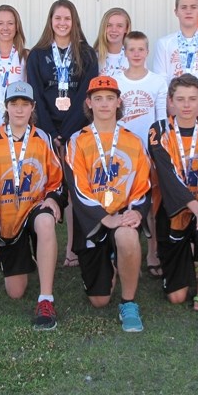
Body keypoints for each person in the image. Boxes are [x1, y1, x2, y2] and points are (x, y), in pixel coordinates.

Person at [64, 76, 152, 332]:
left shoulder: (133, 141)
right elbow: (78, 187)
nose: (104, 104)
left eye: (110, 98)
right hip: (92, 219)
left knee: (126, 236)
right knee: (99, 300)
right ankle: (112, 261)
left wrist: (135, 211)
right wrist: (105, 217)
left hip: (122, 214)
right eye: (98, 99)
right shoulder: (77, 141)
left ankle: (129, 303)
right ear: (89, 103)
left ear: (118, 102)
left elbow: (142, 182)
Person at [0, 82, 65, 330]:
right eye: (14, 104)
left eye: (24, 104)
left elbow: (56, 179)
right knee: (15, 292)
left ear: (32, 107)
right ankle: (20, 256)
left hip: (34, 210)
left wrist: (52, 198)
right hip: (6, 219)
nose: (19, 110)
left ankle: (46, 299)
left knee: (46, 220)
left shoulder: (43, 138)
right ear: (6, 107)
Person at [26, 0, 99, 268]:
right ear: (50, 21)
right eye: (57, 18)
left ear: (74, 21)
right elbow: (35, 92)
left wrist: (67, 134)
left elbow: (85, 94)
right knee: (44, 186)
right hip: (46, 130)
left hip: (77, 130)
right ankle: (33, 248)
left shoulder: (87, 53)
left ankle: (72, 249)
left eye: (67, 18)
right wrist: (51, 133)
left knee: (75, 186)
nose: (62, 23)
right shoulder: (38, 54)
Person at [148, 74, 198, 311]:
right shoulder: (159, 131)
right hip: (173, 209)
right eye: (180, 99)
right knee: (176, 297)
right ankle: (189, 258)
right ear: (170, 101)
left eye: (192, 99)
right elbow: (167, 178)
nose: (186, 105)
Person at [114, 31, 168, 277]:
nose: (136, 54)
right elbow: (109, 119)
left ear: (147, 52)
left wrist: (159, 152)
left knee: (153, 204)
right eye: (131, 49)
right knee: (119, 201)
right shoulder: (115, 81)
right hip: (122, 152)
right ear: (124, 52)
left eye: (141, 49)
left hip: (150, 151)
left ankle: (152, 251)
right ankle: (118, 248)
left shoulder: (157, 81)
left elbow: (162, 119)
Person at [95, 7, 131, 77]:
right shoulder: (92, 57)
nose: (114, 30)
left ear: (126, 29)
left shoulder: (134, 55)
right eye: (109, 25)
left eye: (119, 26)